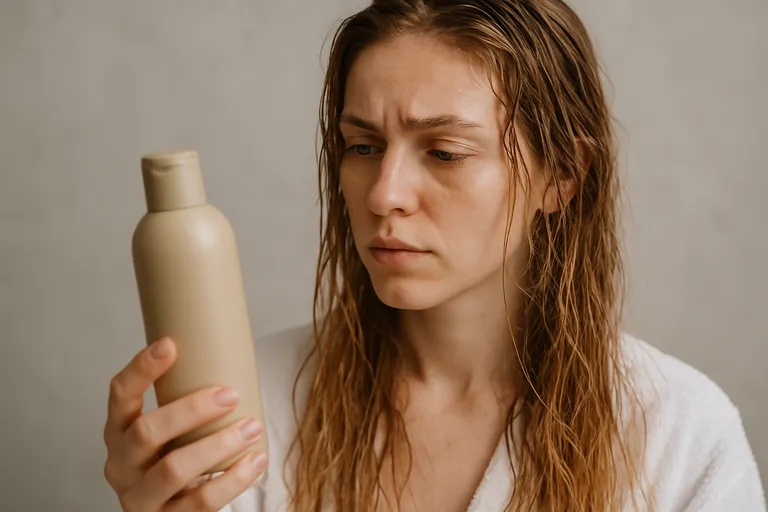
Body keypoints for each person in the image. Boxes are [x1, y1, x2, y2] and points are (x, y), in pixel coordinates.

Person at [102, 1, 766, 510]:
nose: (384, 194)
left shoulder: (679, 435)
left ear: (562, 174)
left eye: (444, 152)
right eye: (362, 146)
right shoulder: (253, 408)